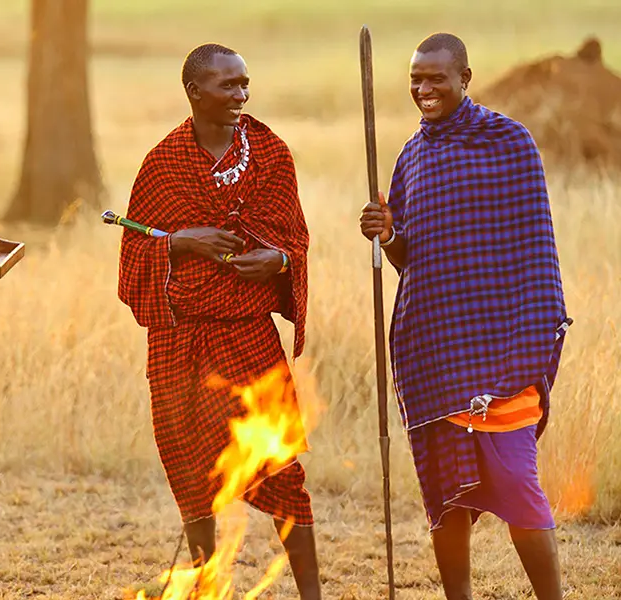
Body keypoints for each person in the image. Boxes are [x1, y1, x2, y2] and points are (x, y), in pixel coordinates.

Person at [359, 33, 571, 600]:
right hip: (434, 351)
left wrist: (526, 343)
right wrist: (387, 235)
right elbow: (412, 259)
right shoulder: (412, 156)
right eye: (415, 79)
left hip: (502, 348)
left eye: (436, 78)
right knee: (446, 495)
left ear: (465, 79)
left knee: (518, 484)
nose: (423, 90)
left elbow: (534, 248)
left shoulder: (509, 143)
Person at [117, 43, 320, 599]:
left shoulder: (270, 153)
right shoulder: (162, 164)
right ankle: (204, 587)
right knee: (191, 474)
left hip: (248, 336)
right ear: (195, 92)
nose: (241, 95)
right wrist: (181, 243)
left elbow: (294, 239)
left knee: (281, 470)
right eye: (228, 86)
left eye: (245, 84)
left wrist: (276, 260)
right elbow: (133, 258)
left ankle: (312, 595)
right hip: (179, 341)